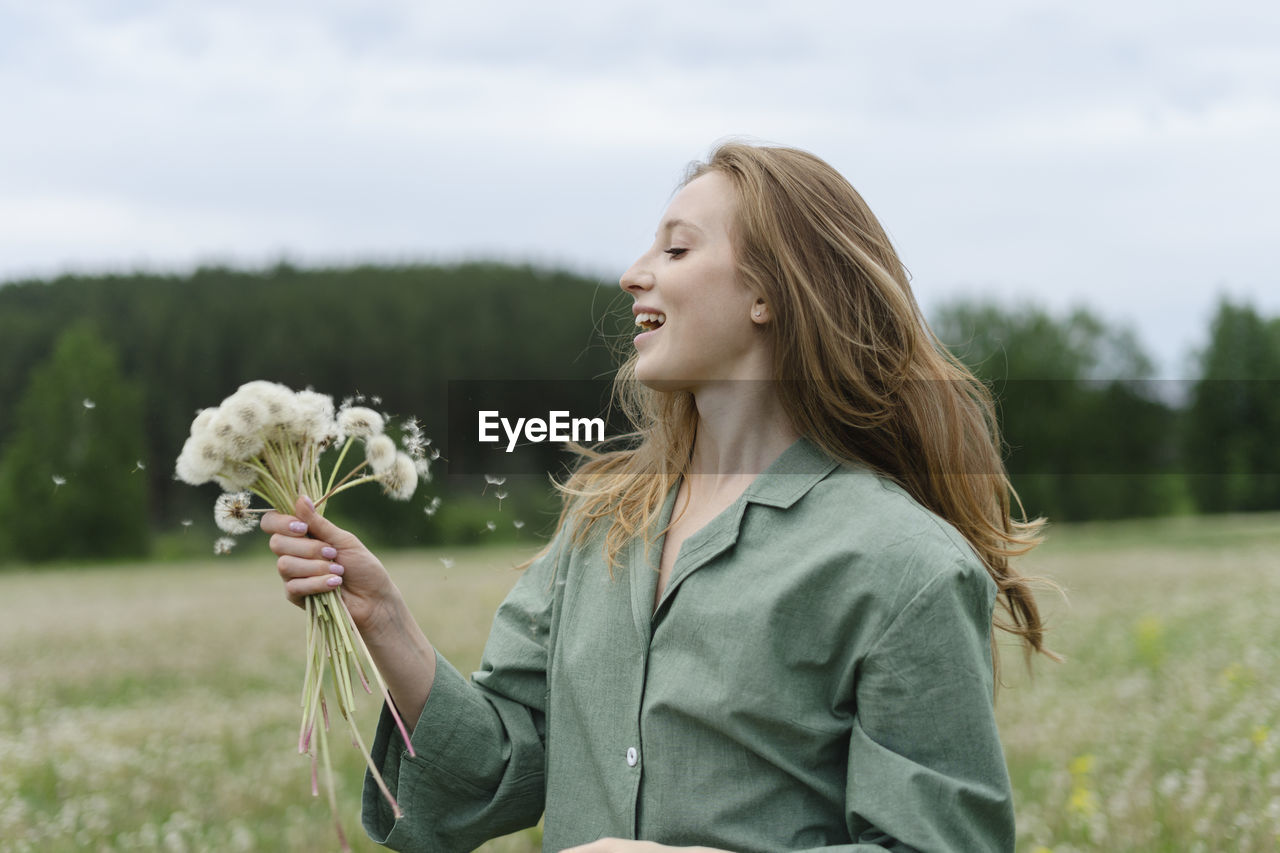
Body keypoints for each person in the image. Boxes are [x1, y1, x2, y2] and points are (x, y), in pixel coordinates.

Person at [263, 141, 1052, 853]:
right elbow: (501, 765)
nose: (633, 271)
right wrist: (385, 621)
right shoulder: (600, 522)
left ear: (769, 294)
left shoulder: (904, 564)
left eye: (676, 247)